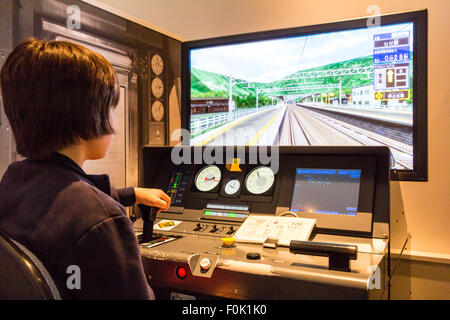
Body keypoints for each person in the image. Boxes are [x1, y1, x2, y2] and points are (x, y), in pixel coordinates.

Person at [0, 38, 170, 299]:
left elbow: (61, 202)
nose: (113, 119)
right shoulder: (100, 221)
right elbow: (87, 214)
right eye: (111, 108)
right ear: (88, 116)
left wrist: (131, 193)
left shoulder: (13, 182)